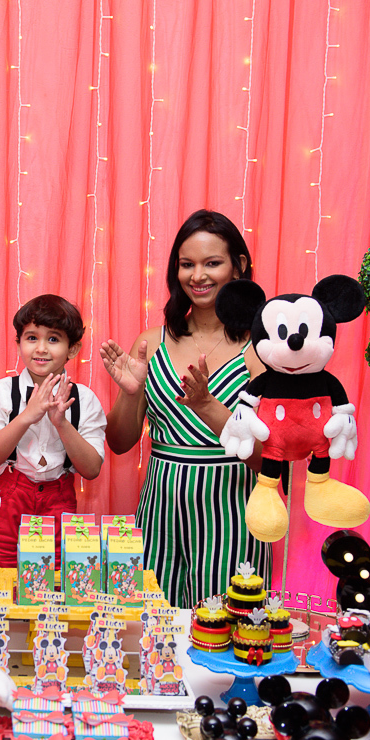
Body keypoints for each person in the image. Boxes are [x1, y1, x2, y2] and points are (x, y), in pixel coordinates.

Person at [99, 210, 271, 608]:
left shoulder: (261, 350)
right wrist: (130, 391)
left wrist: (208, 407)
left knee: (226, 632)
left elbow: (271, 460)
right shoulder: (152, 341)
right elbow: (120, 442)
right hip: (158, 511)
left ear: (239, 266)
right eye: (187, 264)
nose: (198, 276)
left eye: (213, 263)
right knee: (148, 627)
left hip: (232, 513)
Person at [0, 294, 106, 592]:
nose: (41, 348)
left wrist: (61, 422)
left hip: (59, 503)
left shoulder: (84, 400)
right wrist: (26, 417)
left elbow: (91, 468)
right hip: (6, 504)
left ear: (73, 348)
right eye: (32, 337)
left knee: (56, 594)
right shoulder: (3, 392)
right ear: (18, 342)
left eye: (54, 339)